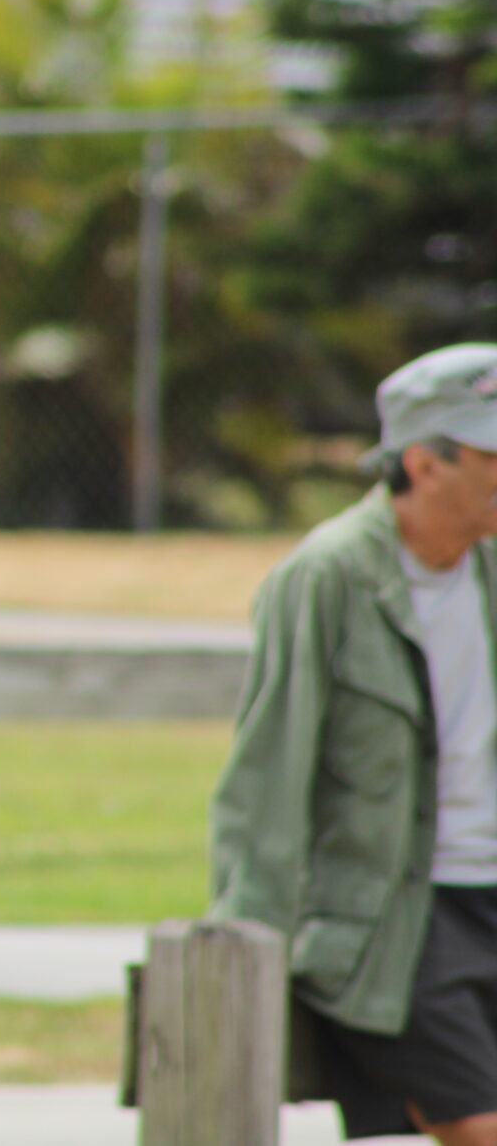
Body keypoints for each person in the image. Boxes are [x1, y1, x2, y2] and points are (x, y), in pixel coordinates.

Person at [211, 343, 497, 1145]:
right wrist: (242, 949)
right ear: (425, 463)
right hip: (399, 919)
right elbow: (267, 773)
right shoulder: (326, 576)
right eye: (491, 455)